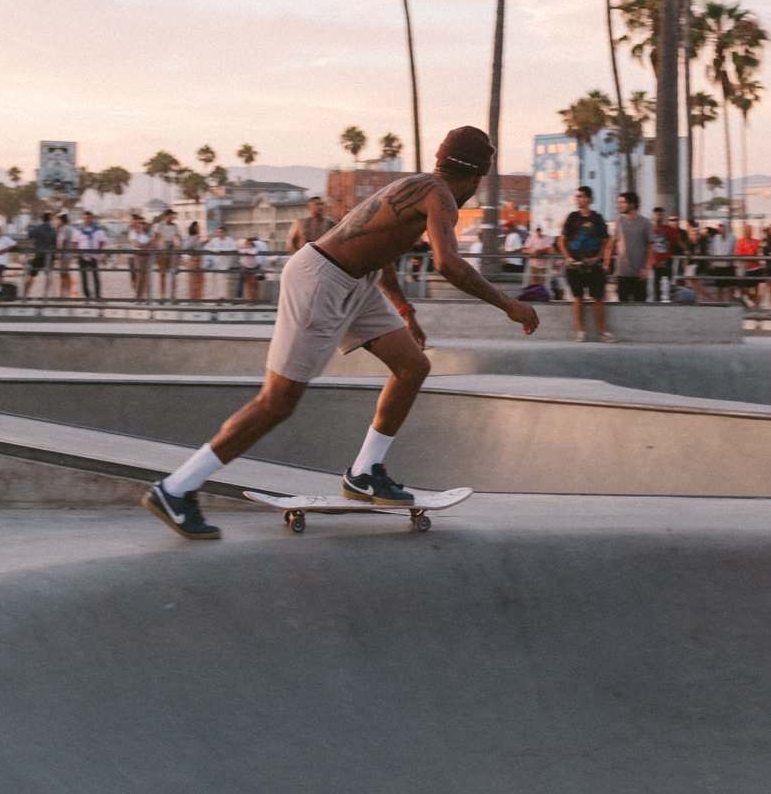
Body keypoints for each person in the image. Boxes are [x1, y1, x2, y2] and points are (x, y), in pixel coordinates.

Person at [144, 126, 539, 538]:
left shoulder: (416, 187)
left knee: (412, 366)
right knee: (277, 402)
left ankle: (365, 473)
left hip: (358, 281)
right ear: (476, 176)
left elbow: (379, 250)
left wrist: (404, 310)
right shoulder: (440, 196)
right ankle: (176, 487)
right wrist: (509, 304)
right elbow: (447, 264)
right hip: (322, 280)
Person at [558, 185, 612, 341]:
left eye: (581, 196)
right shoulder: (572, 217)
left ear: (588, 199)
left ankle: (602, 332)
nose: (578, 199)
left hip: (594, 266)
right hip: (575, 266)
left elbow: (606, 240)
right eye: (577, 196)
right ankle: (580, 332)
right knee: (578, 298)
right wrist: (568, 258)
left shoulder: (597, 218)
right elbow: (561, 240)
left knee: (598, 298)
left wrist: (599, 257)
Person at [611, 191, 649, 305]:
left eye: (622, 202)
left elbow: (651, 247)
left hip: (639, 274)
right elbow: (612, 243)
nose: (619, 205)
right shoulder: (619, 222)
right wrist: (607, 263)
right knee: (623, 307)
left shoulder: (645, 223)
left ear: (632, 204)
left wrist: (646, 268)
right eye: (618, 202)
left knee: (640, 306)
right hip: (622, 273)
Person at [23, 213, 57, 299]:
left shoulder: (38, 228)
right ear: (50, 219)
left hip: (39, 255)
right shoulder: (53, 230)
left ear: (42, 219)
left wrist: (30, 227)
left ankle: (25, 294)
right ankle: (45, 295)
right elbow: (55, 243)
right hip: (49, 255)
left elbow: (29, 235)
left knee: (31, 274)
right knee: (48, 275)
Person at [74, 211, 106, 301]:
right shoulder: (79, 229)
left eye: (88, 218)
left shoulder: (98, 229)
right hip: (82, 255)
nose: (87, 220)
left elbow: (102, 241)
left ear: (92, 218)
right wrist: (78, 253)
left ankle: (97, 295)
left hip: (93, 256)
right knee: (84, 276)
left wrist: (98, 252)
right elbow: (75, 242)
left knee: (95, 276)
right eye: (85, 218)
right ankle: (87, 296)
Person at [205, 223, 239, 300]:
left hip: (225, 263)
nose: (219, 234)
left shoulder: (229, 239)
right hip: (215, 263)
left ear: (224, 232)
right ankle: (216, 297)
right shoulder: (214, 240)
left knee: (223, 281)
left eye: (220, 232)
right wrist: (215, 250)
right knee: (215, 281)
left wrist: (224, 251)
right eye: (218, 232)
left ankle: (222, 297)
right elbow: (207, 247)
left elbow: (234, 248)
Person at [153, 210, 182, 300]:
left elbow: (178, 237)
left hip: (172, 250)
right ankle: (162, 296)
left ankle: (173, 295)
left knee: (173, 274)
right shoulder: (159, 226)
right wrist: (158, 247)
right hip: (162, 251)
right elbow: (156, 238)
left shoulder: (174, 226)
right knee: (162, 274)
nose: (172, 218)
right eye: (170, 216)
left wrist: (179, 247)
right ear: (165, 216)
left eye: (172, 216)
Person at [127, 215, 153, 301]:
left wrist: (144, 246)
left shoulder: (147, 232)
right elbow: (135, 244)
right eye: (139, 222)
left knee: (144, 277)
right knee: (135, 277)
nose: (141, 224)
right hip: (134, 256)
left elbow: (153, 242)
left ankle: (142, 296)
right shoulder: (132, 231)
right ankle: (138, 295)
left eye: (142, 223)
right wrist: (145, 245)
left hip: (145, 256)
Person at [183, 220, 207, 301]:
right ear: (193, 228)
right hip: (193, 260)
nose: (199, 228)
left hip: (200, 260)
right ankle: (193, 299)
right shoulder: (190, 237)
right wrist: (194, 239)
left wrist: (204, 243)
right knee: (193, 281)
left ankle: (199, 298)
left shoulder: (198, 237)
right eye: (197, 227)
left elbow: (198, 248)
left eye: (199, 227)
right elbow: (186, 247)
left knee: (201, 280)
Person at [55, 211, 75, 299]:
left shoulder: (64, 229)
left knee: (63, 274)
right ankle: (68, 292)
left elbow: (61, 242)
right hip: (69, 253)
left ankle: (63, 293)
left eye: (58, 220)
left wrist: (58, 254)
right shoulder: (70, 228)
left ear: (61, 220)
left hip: (64, 254)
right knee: (66, 273)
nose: (57, 221)